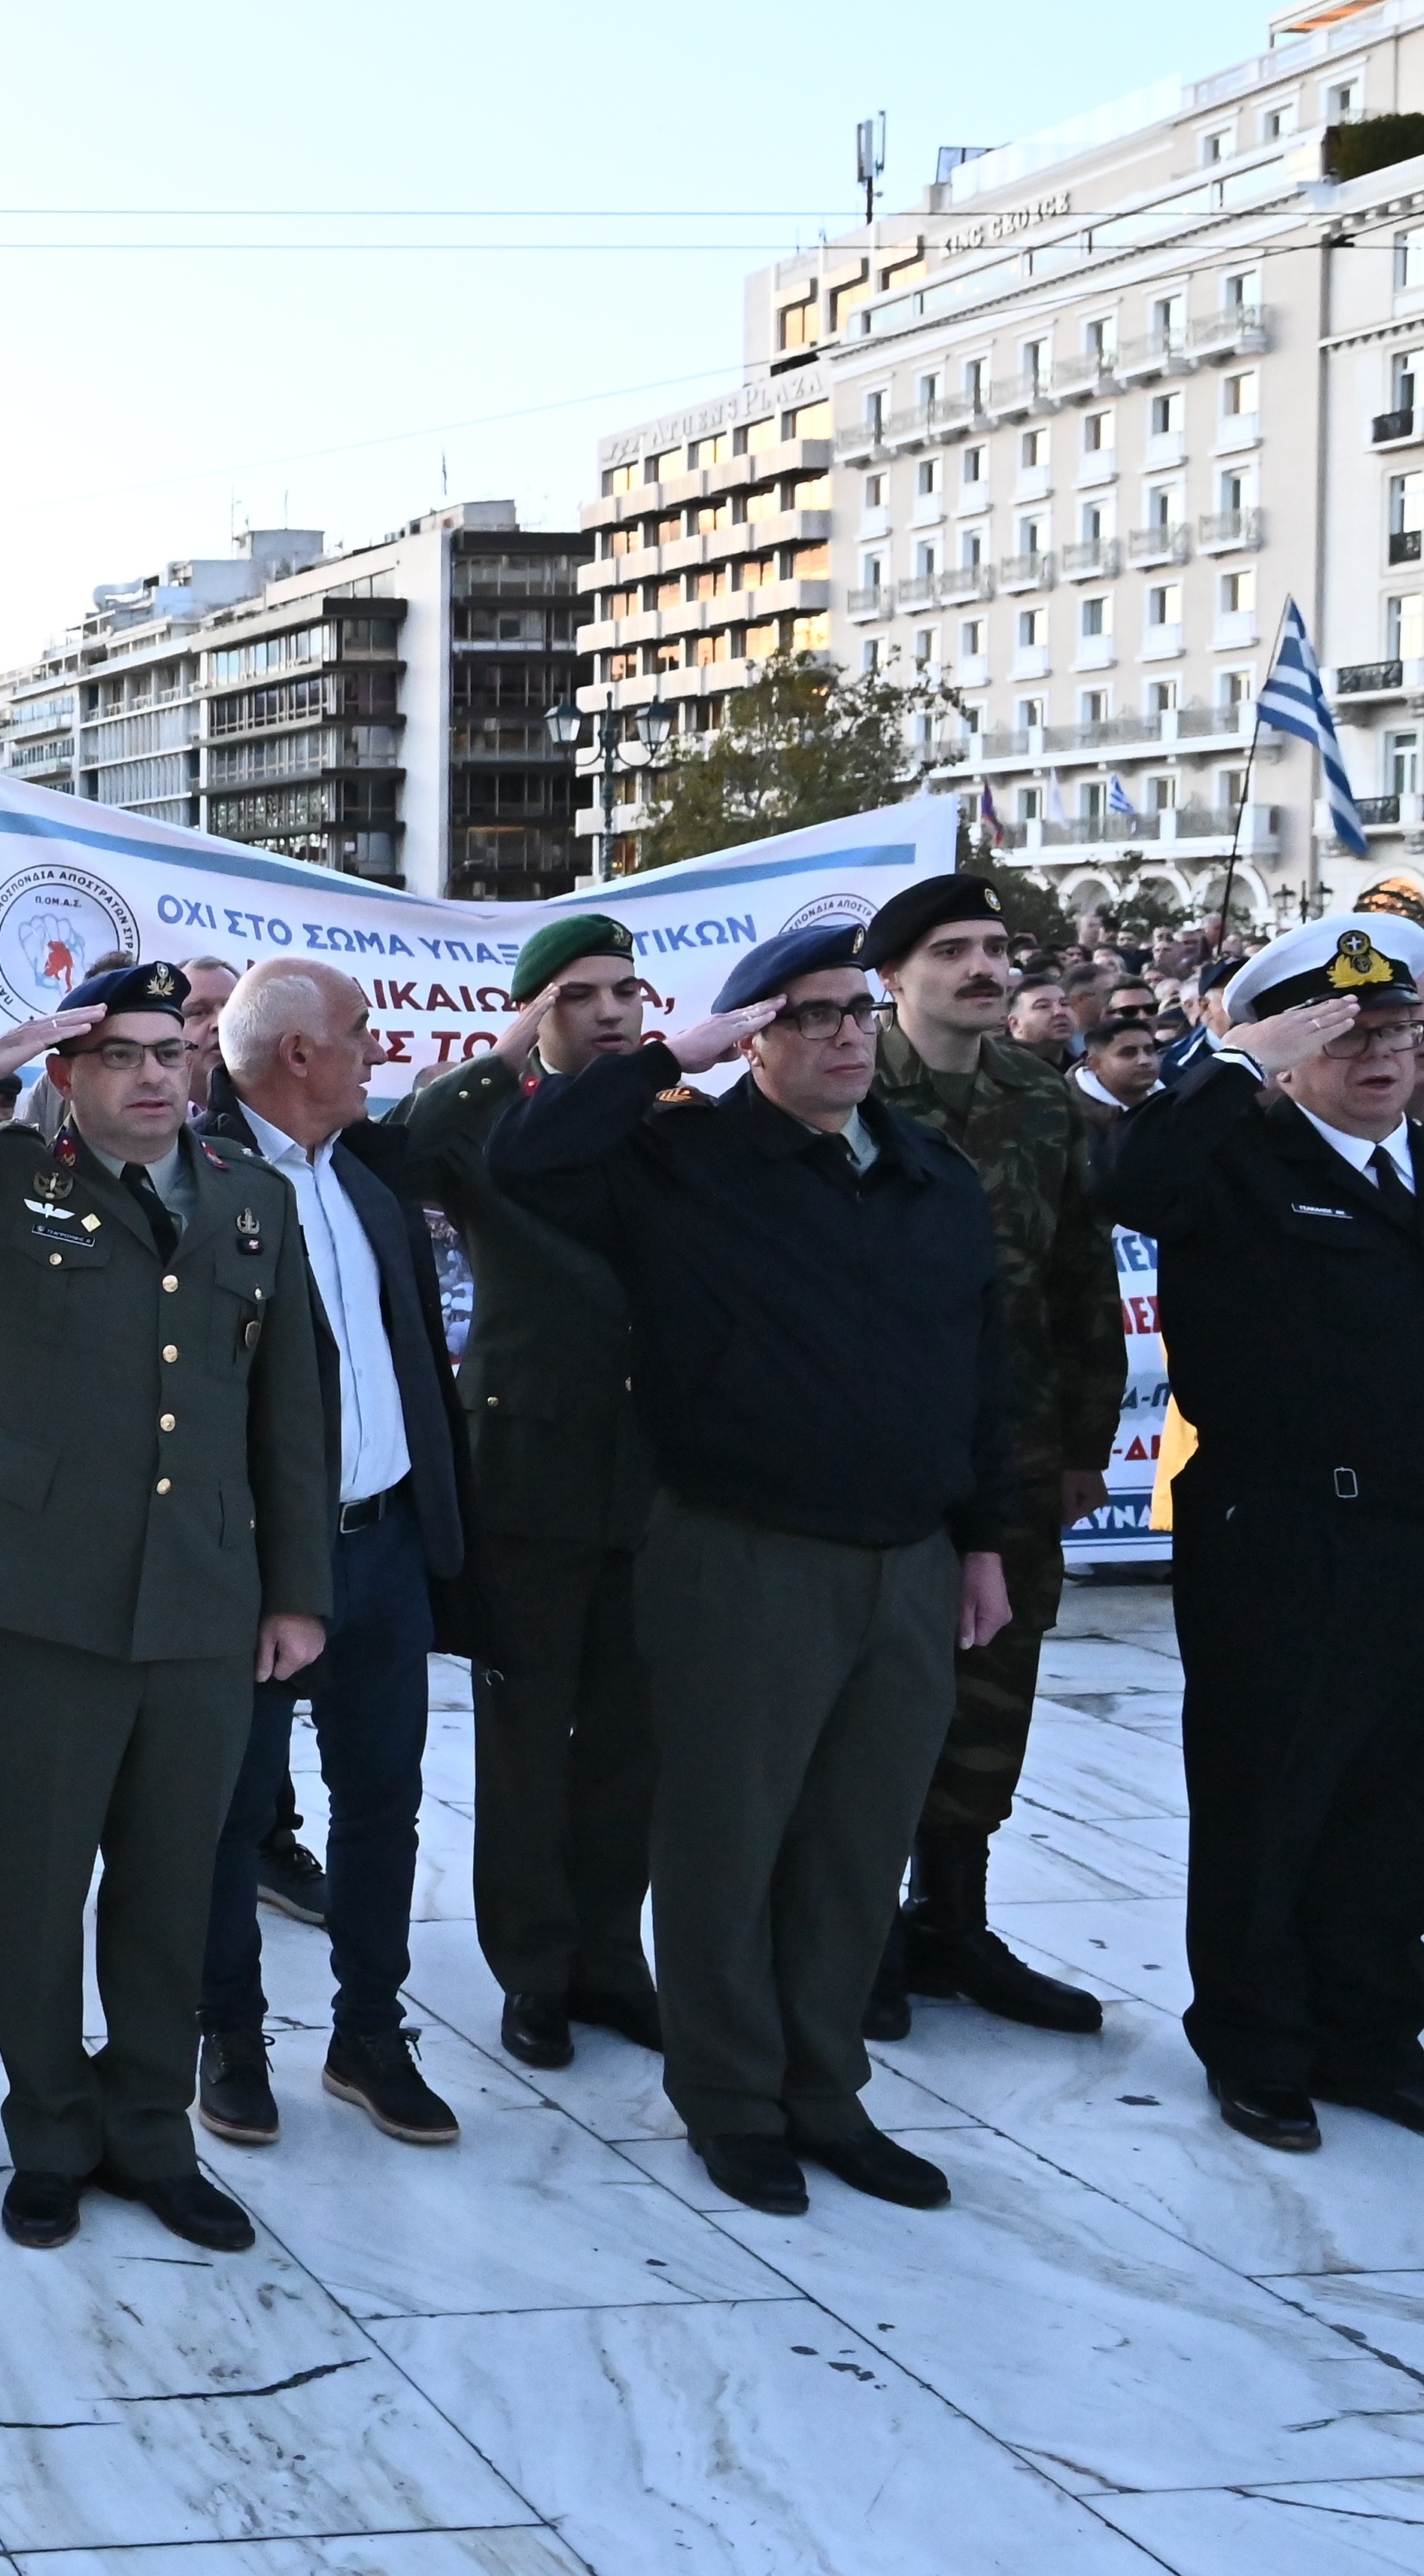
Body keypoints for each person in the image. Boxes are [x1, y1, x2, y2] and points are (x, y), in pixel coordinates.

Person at [0, 961, 326, 2258]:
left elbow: (289, 1416)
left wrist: (297, 1594)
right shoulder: (4, 1181)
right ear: (66, 1074)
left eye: (173, 1050)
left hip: (202, 1597)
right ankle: (47, 2131)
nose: (156, 1073)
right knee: (40, 1886)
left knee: (167, 1881)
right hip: (44, 1592)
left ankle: (148, 2128)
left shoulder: (253, 1204)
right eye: (120, 1054)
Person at [496, 925, 1009, 2219]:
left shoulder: (928, 1173)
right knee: (726, 1837)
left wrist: (984, 1535)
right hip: (741, 1548)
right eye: (807, 1014)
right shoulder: (678, 1157)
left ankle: (824, 2088)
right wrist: (671, 1055)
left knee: (853, 1843)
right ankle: (729, 2097)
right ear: (752, 1037)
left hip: (905, 1554)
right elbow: (525, 1155)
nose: (842, 1034)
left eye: (855, 1011)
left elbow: (982, 1367)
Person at [1115, 913, 1424, 2155]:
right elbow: (1129, 1180)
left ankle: (1369, 2036)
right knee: (1271, 1801)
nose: (1377, 1051)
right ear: (1290, 1045)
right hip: (1290, 1538)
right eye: (1343, 1029)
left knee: (1404, 1806)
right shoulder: (1229, 1165)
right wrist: (1234, 1056)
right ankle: (1254, 2042)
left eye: (1398, 1027)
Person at [196, 959, 468, 2154]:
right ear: (297, 1053)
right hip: (254, 1565)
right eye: (361, 1033)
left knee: (383, 1802)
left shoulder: (364, 1182)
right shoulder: (199, 1183)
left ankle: (369, 2031)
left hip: (385, 1547)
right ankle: (231, 2037)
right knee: (231, 1815)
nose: (379, 1051)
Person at [391, 916, 663, 2070]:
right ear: (536, 1009)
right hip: (529, 1471)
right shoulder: (486, 1119)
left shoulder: (667, 1117)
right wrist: (497, 1061)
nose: (611, 1013)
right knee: (526, 1741)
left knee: (629, 1740)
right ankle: (534, 1971)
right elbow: (397, 1154)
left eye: (627, 993)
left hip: (649, 1474)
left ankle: (612, 1957)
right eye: (582, 995)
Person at [863, 875, 1131, 2042]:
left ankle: (952, 1921)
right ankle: (857, 1929)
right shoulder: (846, 1085)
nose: (985, 968)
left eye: (995, 947)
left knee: (995, 1689)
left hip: (1015, 1447)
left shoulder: (1043, 1098)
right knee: (874, 1694)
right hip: (880, 1450)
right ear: (893, 977)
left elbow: (1084, 1277)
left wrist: (1082, 1440)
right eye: (954, 951)